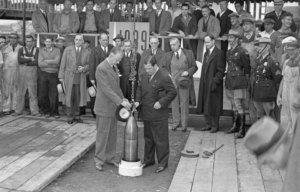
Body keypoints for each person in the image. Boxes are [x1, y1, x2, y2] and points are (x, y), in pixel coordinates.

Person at [135, 56, 177, 173]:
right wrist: (138, 100)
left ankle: (163, 163)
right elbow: (139, 88)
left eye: (149, 68)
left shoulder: (163, 76)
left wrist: (161, 102)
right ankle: (148, 160)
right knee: (148, 138)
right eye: (146, 68)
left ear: (155, 66)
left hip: (158, 113)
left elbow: (173, 92)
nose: (147, 71)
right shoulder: (144, 75)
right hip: (146, 112)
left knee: (160, 139)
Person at [94, 47, 131, 171]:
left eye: (120, 60)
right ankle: (99, 160)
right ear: (111, 55)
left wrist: (123, 98)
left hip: (112, 107)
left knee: (112, 134)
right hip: (103, 107)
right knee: (102, 135)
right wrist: (120, 101)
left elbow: (116, 87)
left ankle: (110, 158)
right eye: (117, 59)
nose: (118, 62)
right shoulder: (101, 68)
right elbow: (106, 89)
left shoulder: (114, 67)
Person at [164, 37, 197, 132]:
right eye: (171, 45)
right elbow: (163, 68)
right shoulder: (167, 55)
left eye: (174, 44)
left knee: (184, 102)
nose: (172, 47)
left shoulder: (188, 53)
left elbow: (194, 66)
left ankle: (184, 124)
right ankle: (175, 123)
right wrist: (168, 74)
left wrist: (188, 72)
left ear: (179, 44)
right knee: (174, 103)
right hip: (173, 82)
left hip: (184, 82)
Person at [224, 30, 250, 138]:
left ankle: (242, 130)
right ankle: (235, 126)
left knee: (238, 103)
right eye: (228, 37)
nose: (229, 39)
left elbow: (247, 67)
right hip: (230, 79)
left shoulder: (242, 51)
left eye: (231, 37)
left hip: (239, 79)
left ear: (236, 39)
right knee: (233, 103)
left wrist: (247, 81)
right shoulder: (228, 51)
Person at [196, 35, 226, 133]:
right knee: (206, 103)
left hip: (213, 83)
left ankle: (215, 126)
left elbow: (221, 70)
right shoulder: (206, 53)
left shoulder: (219, 53)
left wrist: (215, 82)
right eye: (205, 42)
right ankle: (208, 125)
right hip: (205, 82)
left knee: (214, 104)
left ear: (213, 41)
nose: (206, 44)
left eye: (208, 42)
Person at [59, 34, 90, 124]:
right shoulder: (68, 50)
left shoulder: (86, 51)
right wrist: (61, 76)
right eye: (77, 39)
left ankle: (77, 116)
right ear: (74, 40)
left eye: (80, 40)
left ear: (83, 41)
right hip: (69, 77)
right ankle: (70, 117)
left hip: (80, 78)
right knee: (69, 97)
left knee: (78, 98)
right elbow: (63, 63)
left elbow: (88, 64)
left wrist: (84, 68)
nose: (78, 41)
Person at [252, 38, 282, 124]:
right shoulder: (258, 59)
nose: (259, 48)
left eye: (262, 46)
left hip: (267, 92)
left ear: (268, 47)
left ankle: (272, 136)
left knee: (270, 116)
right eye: (259, 46)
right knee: (259, 115)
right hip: (257, 90)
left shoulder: (272, 61)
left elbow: (277, 78)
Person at [13, 35, 41, 117]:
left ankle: (34, 111)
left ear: (33, 42)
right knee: (20, 91)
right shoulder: (21, 49)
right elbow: (19, 60)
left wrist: (25, 60)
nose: (29, 43)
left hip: (33, 73)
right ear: (25, 41)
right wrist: (30, 58)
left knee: (33, 92)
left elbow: (36, 62)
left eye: (30, 41)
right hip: (22, 73)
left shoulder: (37, 50)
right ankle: (18, 110)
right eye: (27, 41)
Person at [89, 33, 114, 118]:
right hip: (98, 77)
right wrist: (91, 78)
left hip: (109, 77)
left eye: (106, 40)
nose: (105, 41)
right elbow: (91, 64)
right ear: (99, 41)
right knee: (96, 95)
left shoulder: (112, 48)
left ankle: (106, 112)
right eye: (103, 40)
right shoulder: (94, 49)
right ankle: (95, 113)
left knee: (107, 95)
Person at [277, 41, 300, 134]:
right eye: (288, 50)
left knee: (296, 118)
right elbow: (283, 79)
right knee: (286, 117)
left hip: (296, 93)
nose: (290, 52)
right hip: (286, 92)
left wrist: (298, 98)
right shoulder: (286, 62)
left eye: (292, 50)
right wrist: (279, 95)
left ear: (298, 50)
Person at [38, 36, 61, 118]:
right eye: (46, 42)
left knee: (54, 94)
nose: (48, 43)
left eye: (49, 42)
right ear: (44, 42)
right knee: (44, 93)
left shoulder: (57, 50)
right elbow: (40, 64)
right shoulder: (41, 51)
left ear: (52, 42)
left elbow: (57, 62)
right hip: (43, 73)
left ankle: (55, 112)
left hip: (54, 74)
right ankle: (46, 111)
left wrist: (46, 61)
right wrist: (52, 63)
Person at [240, 17, 258, 125]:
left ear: (252, 25)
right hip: (243, 71)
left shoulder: (257, 37)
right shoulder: (240, 39)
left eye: (248, 24)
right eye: (244, 24)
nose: (245, 26)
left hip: (255, 70)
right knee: (244, 95)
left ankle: (254, 121)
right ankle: (245, 120)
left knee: (254, 96)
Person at [1, 33, 22, 115]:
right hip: (6, 70)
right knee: (6, 90)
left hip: (17, 70)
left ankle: (14, 107)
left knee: (16, 89)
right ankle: (6, 108)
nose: (13, 39)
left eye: (15, 38)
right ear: (9, 39)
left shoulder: (21, 48)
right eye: (11, 38)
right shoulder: (4, 48)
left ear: (17, 39)